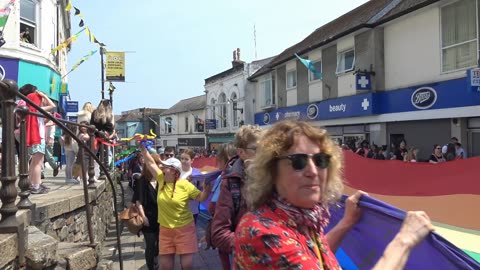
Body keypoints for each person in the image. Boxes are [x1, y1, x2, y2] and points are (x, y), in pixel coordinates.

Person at [234, 120, 434, 269]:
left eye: (320, 160)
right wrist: (404, 241)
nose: (313, 171)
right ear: (272, 170)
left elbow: (312, 258)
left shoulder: (300, 218)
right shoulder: (263, 233)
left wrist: (346, 223)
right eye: (298, 161)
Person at [141, 144, 213, 270]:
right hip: (165, 230)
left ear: (174, 170)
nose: (162, 167)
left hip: (184, 229)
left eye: (166, 166)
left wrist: (206, 190)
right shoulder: (161, 179)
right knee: (166, 266)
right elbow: (151, 163)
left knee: (186, 265)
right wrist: (143, 148)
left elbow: (200, 197)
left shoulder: (185, 185)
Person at [211, 125, 264, 269]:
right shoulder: (231, 181)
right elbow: (219, 233)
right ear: (241, 152)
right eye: (258, 150)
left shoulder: (277, 175)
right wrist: (256, 245)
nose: (264, 155)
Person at [20, 84, 56, 194]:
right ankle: (36, 185)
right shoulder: (36, 108)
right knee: (38, 162)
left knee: (34, 162)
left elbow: (40, 122)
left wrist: (48, 123)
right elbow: (52, 105)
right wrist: (44, 96)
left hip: (36, 137)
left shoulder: (31, 109)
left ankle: (31, 183)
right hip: (38, 138)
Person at [206, 142, 237, 270]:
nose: (217, 159)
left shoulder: (230, 178)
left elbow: (214, 204)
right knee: (224, 255)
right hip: (223, 224)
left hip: (231, 224)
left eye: (220, 157)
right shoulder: (221, 177)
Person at [132, 153, 161, 270]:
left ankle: (155, 262)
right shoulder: (142, 180)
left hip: (161, 217)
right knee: (150, 244)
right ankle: (151, 267)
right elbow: (138, 201)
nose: (158, 166)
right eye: (156, 164)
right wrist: (143, 217)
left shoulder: (161, 180)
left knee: (157, 246)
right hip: (148, 217)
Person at [180, 148, 201, 224]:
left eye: (186, 159)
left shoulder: (196, 173)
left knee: (190, 234)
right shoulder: (176, 172)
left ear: (192, 160)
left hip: (192, 210)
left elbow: (201, 192)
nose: (183, 161)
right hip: (178, 210)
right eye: (182, 158)